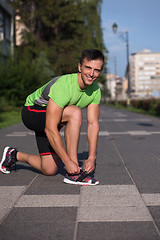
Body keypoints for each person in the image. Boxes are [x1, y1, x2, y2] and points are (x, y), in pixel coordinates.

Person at [0, 49, 104, 185]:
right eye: (88, 68)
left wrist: (91, 157)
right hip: (32, 112)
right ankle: (73, 174)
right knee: (75, 112)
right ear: (79, 67)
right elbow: (50, 128)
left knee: (49, 169)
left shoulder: (95, 90)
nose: (91, 74)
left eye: (96, 70)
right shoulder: (64, 86)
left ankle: (13, 155)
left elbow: (93, 124)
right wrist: (68, 162)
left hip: (52, 118)